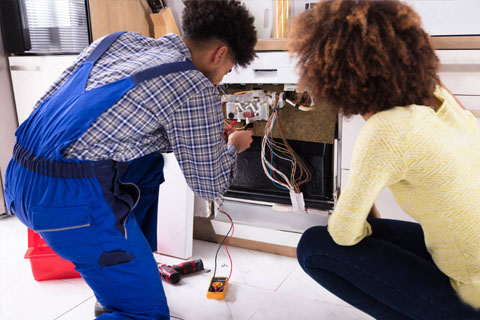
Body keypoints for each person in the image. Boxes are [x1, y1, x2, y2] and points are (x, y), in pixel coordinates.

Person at [3, 0, 256, 318]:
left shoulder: (119, 40)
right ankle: (126, 294)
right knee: (145, 315)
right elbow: (210, 184)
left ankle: (128, 265)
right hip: (64, 201)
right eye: (226, 70)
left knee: (148, 165)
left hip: (17, 177)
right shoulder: (196, 87)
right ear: (219, 53)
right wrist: (232, 145)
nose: (219, 80)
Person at [289, 0, 480, 319]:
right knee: (373, 232)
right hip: (469, 261)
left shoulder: (387, 129)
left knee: (314, 246)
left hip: (473, 297)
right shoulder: (441, 100)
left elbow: (343, 233)